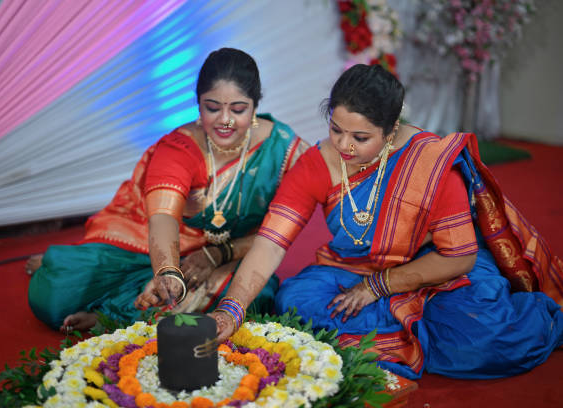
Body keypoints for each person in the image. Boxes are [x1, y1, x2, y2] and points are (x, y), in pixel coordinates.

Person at [211, 64, 563, 380]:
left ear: (391, 130)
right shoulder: (317, 164)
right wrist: (231, 309)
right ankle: (413, 324)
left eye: (360, 138)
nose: (344, 146)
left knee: (486, 338)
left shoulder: (428, 163)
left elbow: (460, 257)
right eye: (336, 130)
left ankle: (410, 321)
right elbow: (272, 242)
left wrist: (379, 287)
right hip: (354, 269)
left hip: (439, 273)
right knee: (294, 301)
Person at [28, 48, 308, 332]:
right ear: (198, 105)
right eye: (212, 107)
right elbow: (163, 218)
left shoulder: (284, 149)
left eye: (238, 109)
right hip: (148, 245)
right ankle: (128, 300)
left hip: (233, 256)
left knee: (257, 298)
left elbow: (281, 231)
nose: (225, 120)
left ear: (255, 106)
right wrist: (167, 270)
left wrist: (217, 255)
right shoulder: (179, 148)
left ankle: (117, 318)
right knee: (53, 295)